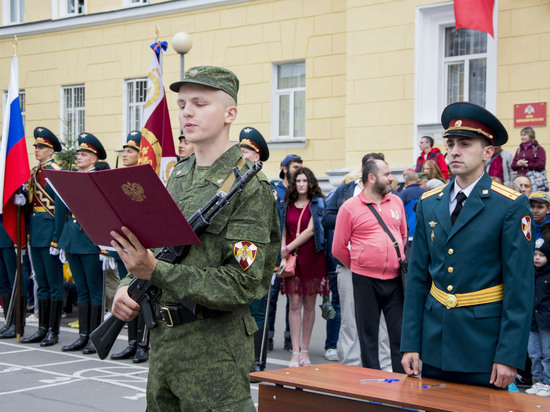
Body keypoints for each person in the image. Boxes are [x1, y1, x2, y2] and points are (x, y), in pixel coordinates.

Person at [110, 65, 280, 410]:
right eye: (183, 103)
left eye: (200, 103)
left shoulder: (251, 189)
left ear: (230, 113)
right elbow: (158, 250)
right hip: (164, 345)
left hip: (214, 354)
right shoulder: (179, 175)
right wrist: (129, 285)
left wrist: (154, 271)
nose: (187, 111)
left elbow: (241, 284)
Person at [401, 101, 535, 389]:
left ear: (488, 152)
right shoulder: (428, 204)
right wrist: (410, 343)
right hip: (435, 342)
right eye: (450, 144)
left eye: (465, 143)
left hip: (484, 347)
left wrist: (509, 355)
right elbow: (417, 279)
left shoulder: (510, 205)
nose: (454, 151)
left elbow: (519, 287)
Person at [332, 159, 407, 373]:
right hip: (364, 280)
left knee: (398, 336)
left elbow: (401, 235)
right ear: (371, 178)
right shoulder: (349, 208)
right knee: (369, 337)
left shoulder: (396, 202)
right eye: (387, 174)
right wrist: (360, 265)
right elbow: (338, 249)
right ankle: (373, 388)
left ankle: (401, 387)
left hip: (394, 279)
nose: (392, 178)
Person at [321, 153, 389, 367]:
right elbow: (326, 218)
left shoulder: (390, 195)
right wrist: (350, 216)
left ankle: (383, 365)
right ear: (366, 173)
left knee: (382, 321)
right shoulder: (345, 192)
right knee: (350, 317)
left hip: (381, 267)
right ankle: (351, 364)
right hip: (350, 263)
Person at [52, 132, 106, 354]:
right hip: (73, 239)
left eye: (84, 154)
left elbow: (104, 213)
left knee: (94, 291)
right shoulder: (72, 178)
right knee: (81, 290)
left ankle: (95, 337)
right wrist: (61, 239)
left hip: (91, 240)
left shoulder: (99, 179)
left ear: (94, 158)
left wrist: (105, 244)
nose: (79, 157)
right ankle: (82, 336)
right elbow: (62, 211)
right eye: (79, 153)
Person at [279, 167, 328, 368]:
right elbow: (282, 228)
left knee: (309, 305)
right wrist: (283, 253)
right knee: (295, 304)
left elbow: (311, 230)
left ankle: (305, 351)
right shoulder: (287, 204)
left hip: (311, 258)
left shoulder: (317, 203)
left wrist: (289, 247)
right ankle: (295, 352)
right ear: (293, 183)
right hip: (291, 260)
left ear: (310, 183)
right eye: (298, 180)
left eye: (304, 181)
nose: (301, 184)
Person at [20, 127, 64, 346]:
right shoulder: (35, 172)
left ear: (51, 150)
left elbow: (60, 208)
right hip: (36, 233)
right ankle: (42, 327)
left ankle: (53, 331)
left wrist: (57, 237)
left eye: (41, 147)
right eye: (36, 146)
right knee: (42, 284)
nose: (36, 150)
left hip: (49, 233)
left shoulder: (56, 171)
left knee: (54, 283)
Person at [110, 131, 149, 363]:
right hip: (124, 242)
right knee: (127, 292)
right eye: (124, 150)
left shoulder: (146, 177)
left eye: (131, 150)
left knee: (141, 293)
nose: (125, 154)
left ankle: (143, 343)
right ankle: (132, 342)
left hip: (141, 244)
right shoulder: (119, 177)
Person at [238, 126, 271, 378]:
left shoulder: (263, 187)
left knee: (257, 310)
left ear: (257, 156)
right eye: (240, 148)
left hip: (256, 256)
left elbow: (271, 231)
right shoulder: (233, 182)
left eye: (247, 150)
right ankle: (243, 356)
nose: (242, 153)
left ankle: (257, 360)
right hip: (238, 253)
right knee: (241, 310)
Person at [268, 153, 303, 352]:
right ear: (284, 169)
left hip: (294, 253)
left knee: (293, 298)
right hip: (275, 252)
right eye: (294, 167)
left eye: (300, 167)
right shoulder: (275, 190)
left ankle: (290, 339)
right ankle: (269, 337)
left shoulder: (302, 192)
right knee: (271, 297)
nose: (298, 170)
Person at [525, 237, 550, 397]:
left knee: (548, 354)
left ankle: (548, 383)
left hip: (546, 321)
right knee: (534, 352)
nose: (537, 258)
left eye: (541, 254)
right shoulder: (528, 274)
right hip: (532, 321)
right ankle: (538, 381)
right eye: (535, 254)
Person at [512, 127, 547, 192]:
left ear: (531, 135)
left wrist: (527, 165)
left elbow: (541, 165)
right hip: (520, 179)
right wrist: (517, 164)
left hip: (533, 181)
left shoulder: (539, 149)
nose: (522, 137)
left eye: (524, 135)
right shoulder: (519, 149)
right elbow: (513, 166)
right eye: (521, 135)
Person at [398, 171, 425, 256]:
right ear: (417, 180)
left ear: (405, 181)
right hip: (422, 231)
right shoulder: (424, 192)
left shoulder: (403, 194)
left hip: (409, 232)